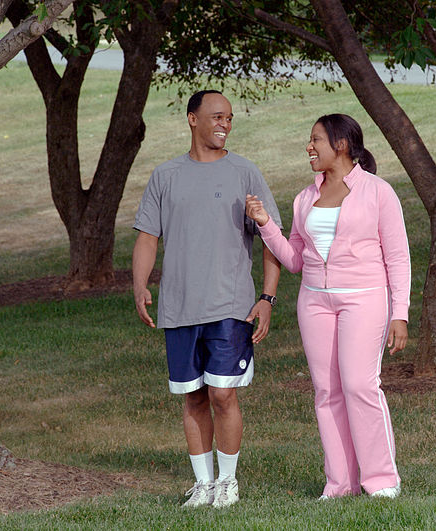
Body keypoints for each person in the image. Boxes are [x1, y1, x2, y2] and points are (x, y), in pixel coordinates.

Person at [245, 113, 410, 499]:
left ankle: (382, 480)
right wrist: (267, 224)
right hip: (315, 301)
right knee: (326, 391)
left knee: (359, 385)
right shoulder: (305, 198)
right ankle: (339, 483)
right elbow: (295, 260)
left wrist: (398, 314)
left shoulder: (378, 192)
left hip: (365, 298)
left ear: (341, 145)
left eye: (316, 139)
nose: (309, 147)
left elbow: (398, 258)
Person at [132, 89, 282, 508]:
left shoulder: (244, 173)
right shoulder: (166, 176)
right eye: (217, 116)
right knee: (193, 395)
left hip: (230, 306)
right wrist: (140, 285)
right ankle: (203, 484)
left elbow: (271, 239)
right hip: (179, 307)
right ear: (192, 118)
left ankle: (228, 483)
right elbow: (147, 237)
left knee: (223, 394)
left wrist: (267, 297)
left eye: (230, 118)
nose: (225, 123)